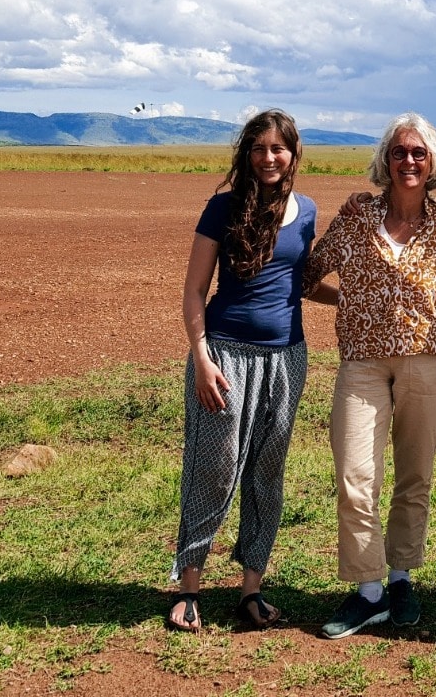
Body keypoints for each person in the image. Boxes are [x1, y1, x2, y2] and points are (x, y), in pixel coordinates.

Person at [303, 113, 436, 640]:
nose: (409, 161)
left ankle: (400, 578)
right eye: (399, 152)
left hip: (427, 362)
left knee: (414, 477)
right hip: (363, 364)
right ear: (385, 160)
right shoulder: (355, 218)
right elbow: (309, 276)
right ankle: (367, 590)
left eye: (419, 152)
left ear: (434, 161)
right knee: (356, 477)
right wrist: (348, 298)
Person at [170, 109, 316, 633]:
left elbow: (299, 283)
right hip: (225, 353)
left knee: (266, 474)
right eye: (259, 149)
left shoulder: (307, 212)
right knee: (214, 465)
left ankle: (251, 590)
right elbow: (193, 290)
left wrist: (366, 300)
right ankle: (188, 589)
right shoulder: (222, 208)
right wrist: (202, 358)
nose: (269, 158)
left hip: (287, 357)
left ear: (294, 153)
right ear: (246, 154)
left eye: (279, 149)